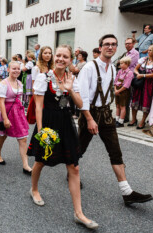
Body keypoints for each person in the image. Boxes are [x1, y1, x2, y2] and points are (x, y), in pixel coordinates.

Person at [27, 45, 97, 229]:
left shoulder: (72, 78)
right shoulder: (44, 77)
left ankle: (79, 213)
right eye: (58, 55)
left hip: (66, 123)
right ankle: (34, 189)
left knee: (74, 167)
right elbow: (38, 106)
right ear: (53, 57)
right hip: (48, 123)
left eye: (65, 56)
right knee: (41, 161)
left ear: (70, 59)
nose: (60, 59)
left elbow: (81, 104)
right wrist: (41, 132)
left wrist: (70, 90)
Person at [78, 34, 153, 205]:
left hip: (106, 114)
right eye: (106, 44)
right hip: (89, 113)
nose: (110, 47)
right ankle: (72, 173)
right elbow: (81, 97)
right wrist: (89, 119)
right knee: (79, 149)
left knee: (115, 152)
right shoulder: (89, 68)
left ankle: (127, 192)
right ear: (100, 47)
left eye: (113, 44)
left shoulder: (112, 68)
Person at [0, 61, 31, 174]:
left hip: (18, 113)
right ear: (8, 69)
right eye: (13, 68)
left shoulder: (19, 83)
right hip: (6, 112)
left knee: (23, 138)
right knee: (2, 136)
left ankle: (25, 165)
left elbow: (18, 99)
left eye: (18, 69)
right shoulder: (3, 84)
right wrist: (5, 119)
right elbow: (1, 103)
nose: (16, 70)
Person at [129, 44, 153, 129]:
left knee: (146, 102)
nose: (148, 51)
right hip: (140, 83)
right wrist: (138, 74)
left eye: (150, 50)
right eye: (148, 50)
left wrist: (142, 75)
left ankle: (142, 121)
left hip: (149, 85)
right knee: (135, 100)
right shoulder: (143, 59)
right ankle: (133, 120)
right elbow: (135, 69)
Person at [27, 46, 54, 124]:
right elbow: (34, 87)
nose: (48, 55)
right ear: (41, 55)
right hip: (39, 97)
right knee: (41, 121)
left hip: (50, 97)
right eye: (45, 53)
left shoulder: (52, 68)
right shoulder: (36, 68)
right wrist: (38, 103)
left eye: (49, 53)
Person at [114, 57, 134, 127]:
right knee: (117, 105)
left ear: (127, 64)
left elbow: (126, 85)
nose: (120, 65)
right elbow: (115, 81)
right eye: (120, 63)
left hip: (124, 91)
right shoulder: (120, 71)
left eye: (122, 63)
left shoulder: (129, 73)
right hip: (117, 89)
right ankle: (116, 119)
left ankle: (121, 121)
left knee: (123, 106)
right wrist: (115, 89)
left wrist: (118, 91)